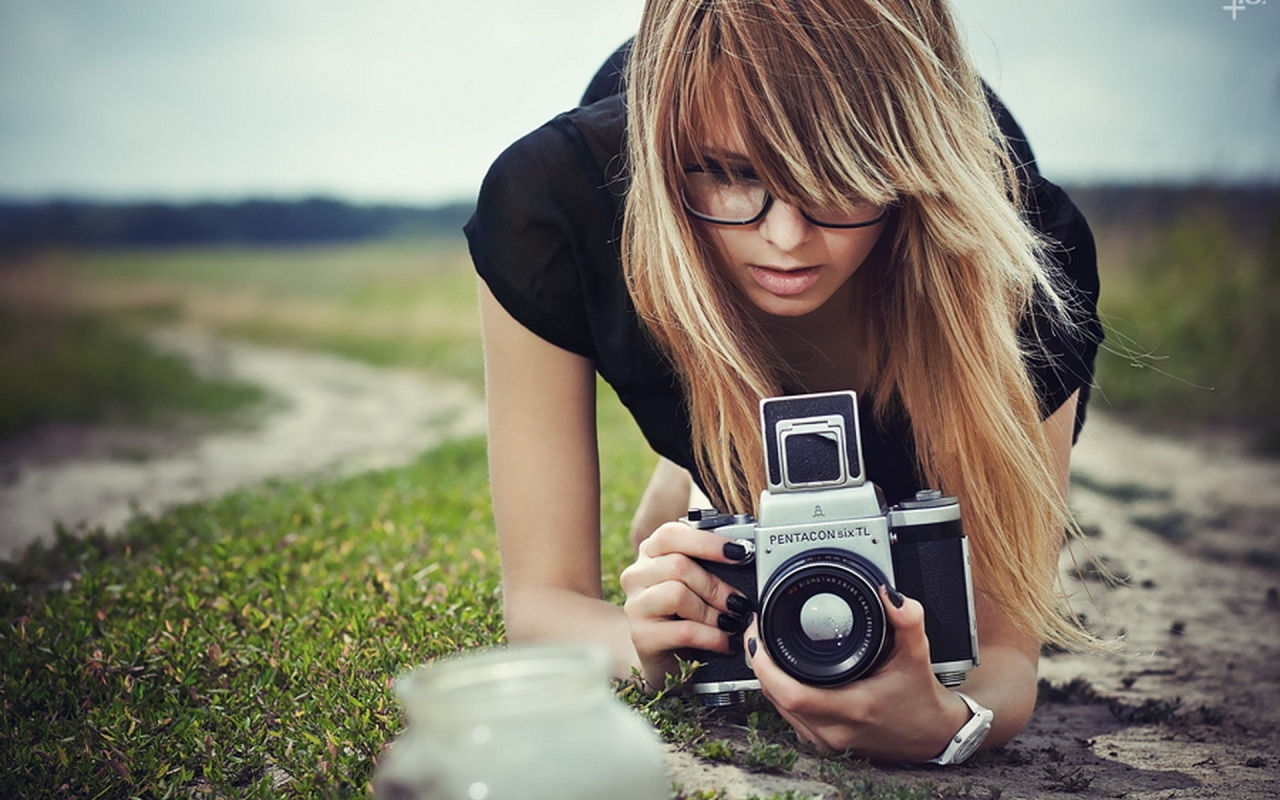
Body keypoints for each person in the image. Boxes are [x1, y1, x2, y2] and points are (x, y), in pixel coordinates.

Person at [465, 0, 1101, 764]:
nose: (787, 238)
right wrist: (645, 647)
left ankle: (717, 471)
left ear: (904, 166)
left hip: (945, 296)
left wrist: (941, 722)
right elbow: (540, 604)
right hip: (666, 268)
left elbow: (1002, 659)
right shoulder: (557, 205)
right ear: (670, 157)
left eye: (838, 180)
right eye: (732, 175)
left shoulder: (1025, 260)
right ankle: (708, 460)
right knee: (711, 524)